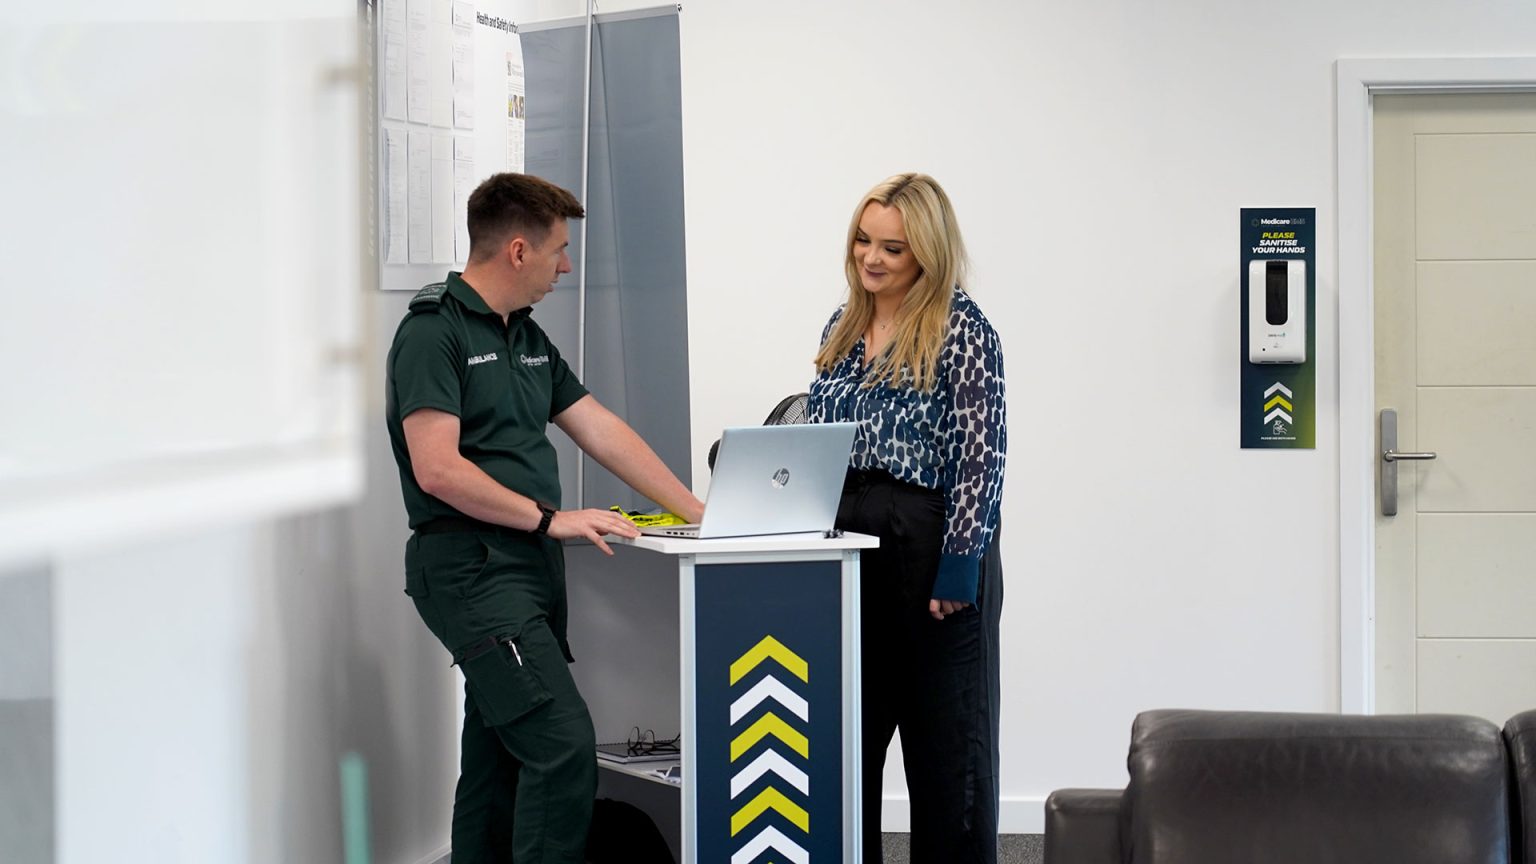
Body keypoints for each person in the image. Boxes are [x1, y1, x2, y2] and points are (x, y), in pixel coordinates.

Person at [385, 172, 704, 864]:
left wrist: (700, 511)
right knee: (561, 750)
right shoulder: (431, 335)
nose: (566, 265)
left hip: (527, 573)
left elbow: (599, 428)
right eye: (560, 250)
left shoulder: (524, 337)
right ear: (519, 250)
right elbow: (436, 467)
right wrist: (547, 518)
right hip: (471, 570)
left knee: (500, 755)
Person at [807, 173, 1007, 862]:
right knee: (848, 745)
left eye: (892, 247)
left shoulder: (962, 327)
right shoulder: (843, 324)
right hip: (848, 543)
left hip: (931, 548)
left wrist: (962, 563)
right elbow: (820, 432)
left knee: (948, 750)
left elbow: (981, 454)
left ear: (927, 251)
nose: (872, 258)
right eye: (864, 240)